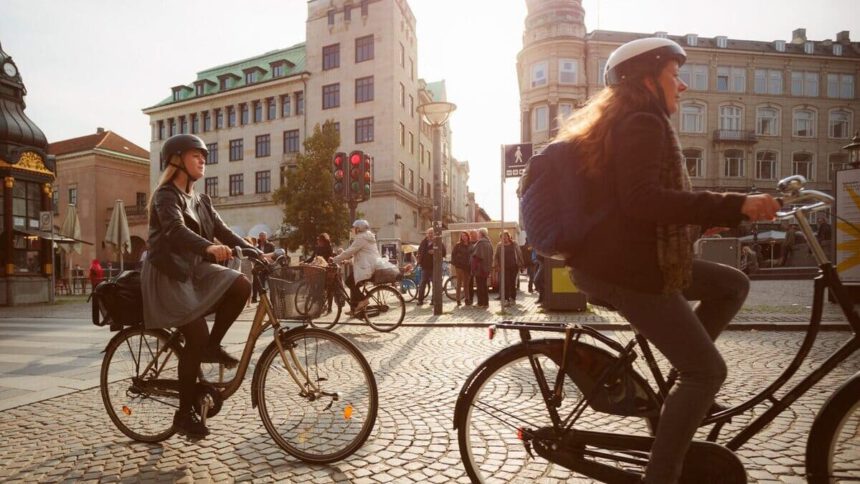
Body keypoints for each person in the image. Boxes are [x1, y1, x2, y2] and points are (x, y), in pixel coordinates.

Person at [555, 38, 779, 483]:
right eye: (674, 74)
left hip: (639, 258)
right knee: (707, 370)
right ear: (646, 77)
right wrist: (734, 205)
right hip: (627, 270)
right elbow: (642, 202)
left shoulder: (632, 121)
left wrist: (700, 221)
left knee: (732, 285)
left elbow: (637, 209)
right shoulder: (641, 122)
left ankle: (680, 390)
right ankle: (662, 475)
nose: (682, 84)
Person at [142, 134, 256, 438]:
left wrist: (255, 250)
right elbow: (175, 230)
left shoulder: (201, 199)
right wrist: (208, 248)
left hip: (193, 270)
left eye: (204, 156)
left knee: (241, 285)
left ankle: (210, 348)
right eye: (196, 155)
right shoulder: (166, 196)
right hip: (168, 273)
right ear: (176, 160)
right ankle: (183, 415)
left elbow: (223, 229)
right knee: (195, 335)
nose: (203, 160)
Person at [332, 220, 379, 314]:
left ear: (358, 229)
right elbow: (362, 255)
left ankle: (364, 301)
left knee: (349, 282)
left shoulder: (361, 238)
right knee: (354, 284)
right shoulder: (367, 237)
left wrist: (335, 259)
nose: (353, 230)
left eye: (354, 228)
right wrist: (348, 261)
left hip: (366, 268)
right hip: (369, 265)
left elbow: (350, 251)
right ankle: (354, 309)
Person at [416, 227, 446, 306]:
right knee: (422, 284)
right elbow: (419, 251)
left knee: (435, 284)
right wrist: (418, 257)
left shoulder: (438, 241)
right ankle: (420, 300)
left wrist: (435, 252)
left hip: (434, 267)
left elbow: (444, 252)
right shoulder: (423, 242)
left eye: (431, 233)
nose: (430, 235)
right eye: (428, 233)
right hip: (425, 267)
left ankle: (434, 300)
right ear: (426, 234)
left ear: (434, 234)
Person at [493, 231, 524, 305]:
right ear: (500, 238)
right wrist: (497, 265)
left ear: (509, 236)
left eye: (506, 236)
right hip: (504, 267)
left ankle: (513, 298)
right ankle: (506, 299)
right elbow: (496, 256)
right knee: (505, 283)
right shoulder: (499, 245)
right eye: (502, 237)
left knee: (512, 283)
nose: (504, 238)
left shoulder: (514, 244)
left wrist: (521, 264)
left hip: (514, 267)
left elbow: (519, 254)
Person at [251, 231, 276, 303]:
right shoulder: (257, 247)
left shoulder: (271, 245)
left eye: (263, 236)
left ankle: (272, 299)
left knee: (271, 284)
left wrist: (265, 258)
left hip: (269, 267)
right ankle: (263, 300)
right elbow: (255, 257)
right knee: (261, 284)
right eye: (261, 236)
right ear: (259, 237)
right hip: (260, 267)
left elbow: (273, 255)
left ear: (266, 237)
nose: (262, 237)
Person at [472, 228, 494, 308]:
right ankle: (485, 303)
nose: (477, 235)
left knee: (480, 286)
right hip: (486, 268)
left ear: (481, 234)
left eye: (478, 233)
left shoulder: (481, 243)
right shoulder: (489, 243)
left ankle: (480, 303)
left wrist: (474, 268)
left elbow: (477, 257)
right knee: (484, 286)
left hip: (480, 268)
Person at [450, 232, 472, 306]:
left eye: (465, 235)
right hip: (459, 266)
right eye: (462, 236)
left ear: (467, 236)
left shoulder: (470, 245)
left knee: (466, 284)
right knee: (459, 283)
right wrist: (456, 263)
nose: (463, 237)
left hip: (468, 267)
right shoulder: (458, 245)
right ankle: (458, 300)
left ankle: (467, 299)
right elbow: (453, 254)